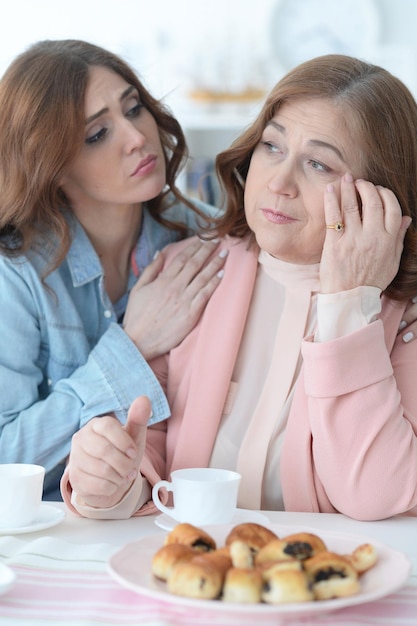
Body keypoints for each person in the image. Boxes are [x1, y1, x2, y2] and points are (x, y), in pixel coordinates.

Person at [62, 54, 417, 521]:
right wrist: (108, 483)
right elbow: (146, 451)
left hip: (326, 580)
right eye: (272, 147)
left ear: (379, 197)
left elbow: (376, 496)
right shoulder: (190, 271)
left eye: (318, 164)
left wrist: (350, 306)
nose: (279, 182)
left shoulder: (401, 315)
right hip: (189, 569)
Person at [0, 39, 227, 501]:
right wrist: (133, 346)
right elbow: (7, 459)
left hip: (161, 512)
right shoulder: (16, 271)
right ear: (53, 167)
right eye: (98, 134)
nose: (138, 137)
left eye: (134, 107)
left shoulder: (204, 236)